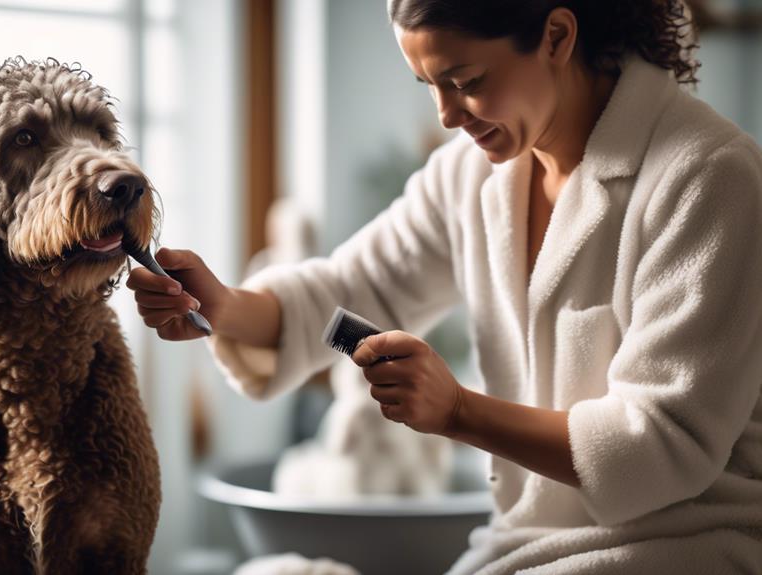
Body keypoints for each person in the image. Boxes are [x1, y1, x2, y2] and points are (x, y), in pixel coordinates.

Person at [127, 0, 762, 572]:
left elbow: (661, 446)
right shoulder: (469, 178)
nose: (448, 115)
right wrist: (227, 308)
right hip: (522, 546)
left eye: (467, 82)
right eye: (430, 85)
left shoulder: (706, 177)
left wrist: (458, 411)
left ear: (557, 36)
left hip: (683, 547)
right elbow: (354, 287)